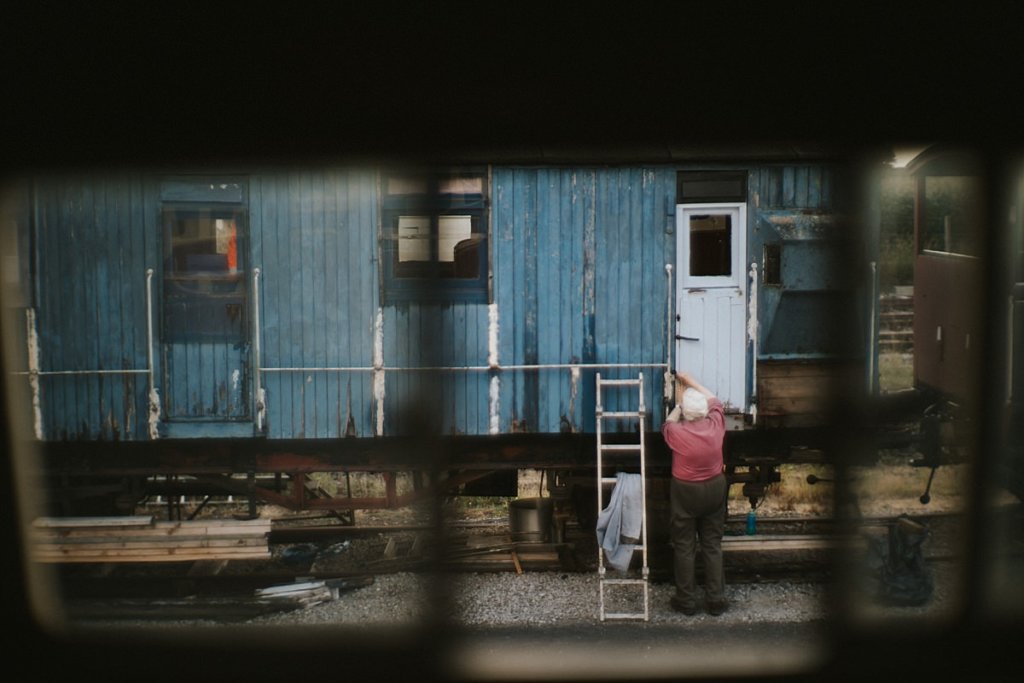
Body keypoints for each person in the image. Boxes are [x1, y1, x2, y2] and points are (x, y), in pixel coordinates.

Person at [661, 370, 729, 616]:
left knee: (684, 546)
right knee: (712, 544)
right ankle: (716, 600)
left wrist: (679, 404)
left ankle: (686, 601)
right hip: (714, 487)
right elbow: (715, 401)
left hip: (685, 491)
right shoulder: (716, 425)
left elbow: (668, 422)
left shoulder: (676, 432)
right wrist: (691, 382)